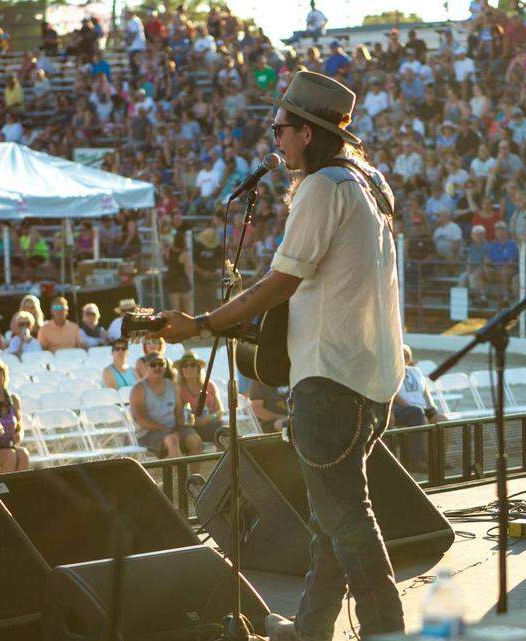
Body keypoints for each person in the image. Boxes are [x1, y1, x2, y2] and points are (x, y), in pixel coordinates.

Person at [152, 71, 405, 641]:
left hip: (330, 382)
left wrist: (201, 324)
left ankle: (386, 628)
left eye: (282, 129)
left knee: (346, 518)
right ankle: (312, 628)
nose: (277, 140)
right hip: (370, 378)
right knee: (331, 520)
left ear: (308, 135)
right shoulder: (369, 185)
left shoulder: (322, 189)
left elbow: (280, 282)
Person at [390, 345, 447, 472]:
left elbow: (426, 392)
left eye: (406, 354)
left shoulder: (416, 371)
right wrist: (411, 407)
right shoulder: (392, 372)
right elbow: (393, 394)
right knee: (421, 417)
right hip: (404, 408)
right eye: (401, 354)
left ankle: (438, 459)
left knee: (443, 420)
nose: (404, 356)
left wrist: (432, 407)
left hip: (420, 408)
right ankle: (419, 460)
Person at [129, 353, 197, 457]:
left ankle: (194, 473)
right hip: (147, 433)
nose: (157, 367)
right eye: (153, 365)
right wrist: (165, 429)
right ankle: (181, 473)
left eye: (161, 364)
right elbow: (141, 420)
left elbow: (178, 414)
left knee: (195, 440)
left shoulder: (173, 386)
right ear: (147, 366)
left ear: (165, 366)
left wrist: (185, 419)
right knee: (172, 439)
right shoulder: (138, 389)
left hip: (172, 428)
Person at [174, 351, 222, 445]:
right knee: (194, 440)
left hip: (211, 424)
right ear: (181, 370)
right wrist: (192, 421)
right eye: (185, 366)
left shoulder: (210, 385)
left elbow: (220, 411)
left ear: (198, 369)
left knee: (225, 432)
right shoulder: (178, 389)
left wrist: (208, 418)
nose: (189, 368)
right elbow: (178, 416)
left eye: (192, 365)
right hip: (190, 428)